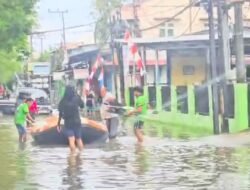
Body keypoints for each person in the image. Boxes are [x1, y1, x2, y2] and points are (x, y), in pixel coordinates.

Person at [57, 85, 85, 152]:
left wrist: (58, 124)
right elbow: (82, 106)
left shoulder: (63, 100)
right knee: (78, 139)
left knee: (71, 139)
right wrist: (78, 96)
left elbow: (60, 113)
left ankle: (72, 157)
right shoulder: (77, 98)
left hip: (68, 123)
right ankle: (81, 155)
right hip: (77, 122)